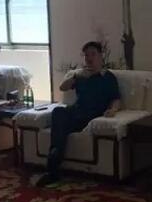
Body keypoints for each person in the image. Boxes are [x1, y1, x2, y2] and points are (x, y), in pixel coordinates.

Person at [35, 41, 121, 187]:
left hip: (92, 115)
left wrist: (113, 110)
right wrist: (76, 76)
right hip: (76, 112)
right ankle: (54, 161)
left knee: (61, 128)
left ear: (101, 56)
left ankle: (52, 167)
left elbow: (116, 98)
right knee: (58, 112)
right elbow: (62, 87)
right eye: (86, 55)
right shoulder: (81, 75)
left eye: (93, 54)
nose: (89, 58)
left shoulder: (108, 77)